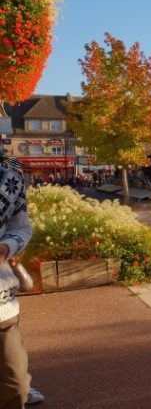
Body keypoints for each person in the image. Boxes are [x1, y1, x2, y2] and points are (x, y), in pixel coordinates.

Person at [0, 160, 34, 408]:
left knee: (16, 385)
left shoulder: (8, 179)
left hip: (2, 307)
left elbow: (22, 228)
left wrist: (6, 248)